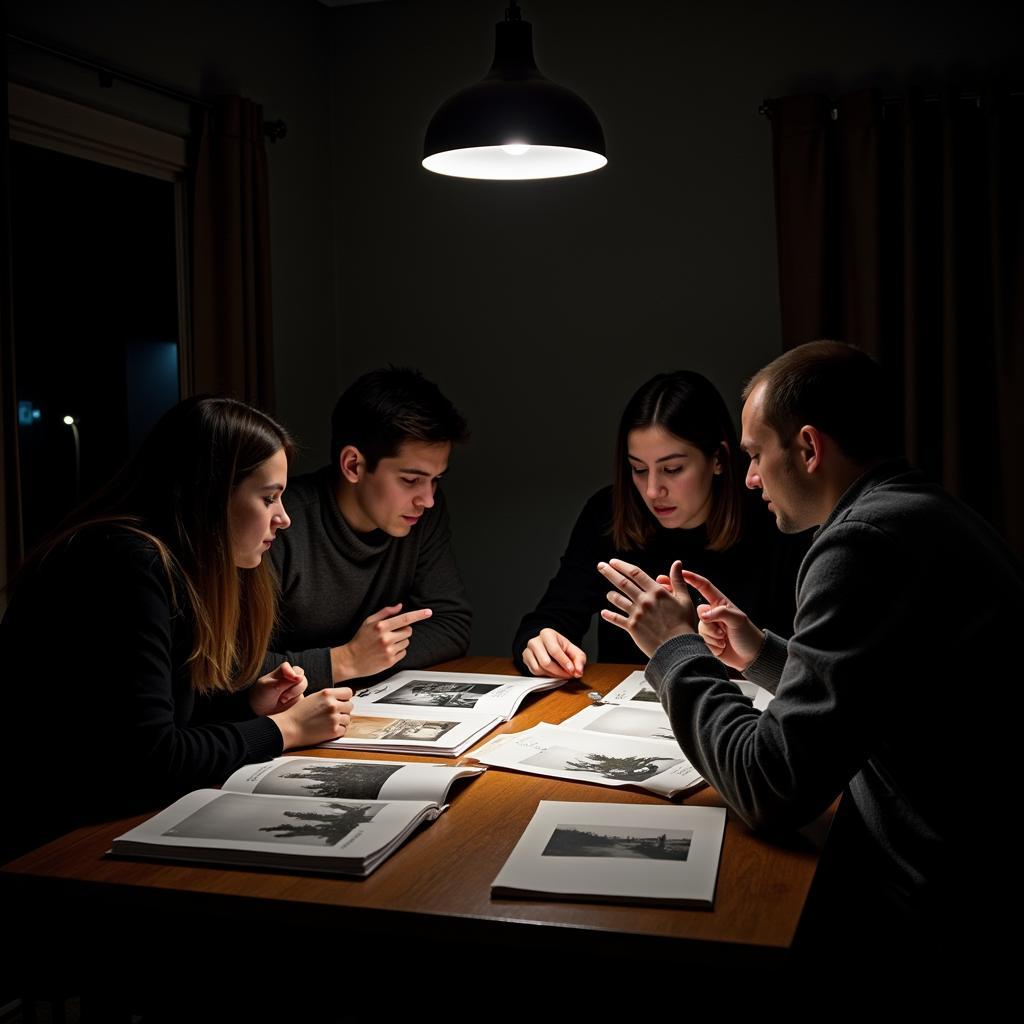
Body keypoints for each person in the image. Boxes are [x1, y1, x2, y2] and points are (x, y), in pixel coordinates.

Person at [597, 341, 1022, 963]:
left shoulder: (861, 542)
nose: (747, 478)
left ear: (808, 448)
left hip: (938, 902)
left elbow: (770, 789)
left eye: (753, 456)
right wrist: (764, 655)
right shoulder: (915, 509)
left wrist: (675, 650)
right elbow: (882, 689)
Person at [0, 397, 354, 862]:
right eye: (268, 497)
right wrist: (282, 729)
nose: (283, 518)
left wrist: (244, 703)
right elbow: (149, 759)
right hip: (46, 845)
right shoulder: (124, 564)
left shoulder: (163, 564)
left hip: (99, 819)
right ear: (209, 494)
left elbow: (136, 718)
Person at [513, 370, 809, 678]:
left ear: (718, 459)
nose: (653, 491)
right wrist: (540, 642)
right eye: (638, 469)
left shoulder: (773, 520)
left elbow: (805, 666)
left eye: (672, 468)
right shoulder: (608, 514)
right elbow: (551, 617)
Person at [265, 367, 471, 689]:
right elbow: (232, 665)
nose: (428, 499)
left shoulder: (423, 512)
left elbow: (451, 625)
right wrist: (346, 660)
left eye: (436, 480)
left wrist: (366, 659)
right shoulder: (278, 522)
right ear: (353, 465)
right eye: (411, 480)